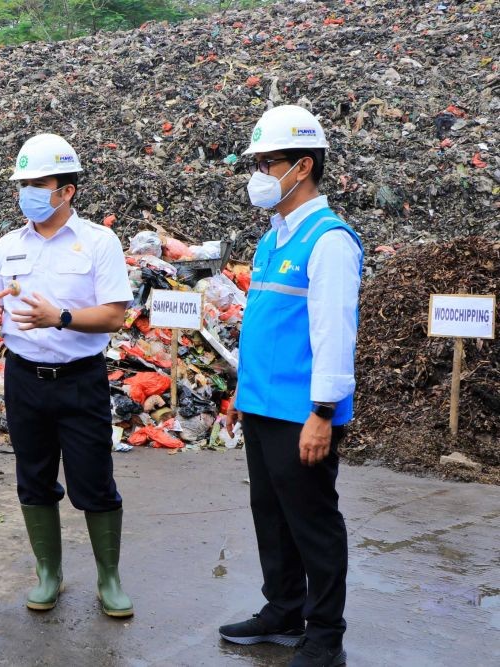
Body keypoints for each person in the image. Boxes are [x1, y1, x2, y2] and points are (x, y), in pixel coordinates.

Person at [219, 105, 363, 667]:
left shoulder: (329, 242)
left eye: (267, 162)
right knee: (269, 512)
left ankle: (325, 635)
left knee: (313, 521)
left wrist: (323, 412)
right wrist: (240, 394)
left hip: (302, 412)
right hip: (262, 403)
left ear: (302, 166)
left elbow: (334, 335)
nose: (258, 174)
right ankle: (283, 608)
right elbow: (264, 329)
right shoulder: (274, 239)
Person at [0, 133, 135, 618]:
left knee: (94, 482)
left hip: (80, 379)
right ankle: (50, 574)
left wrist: (59, 317)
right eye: (23, 184)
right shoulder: (8, 245)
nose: (28, 194)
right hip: (24, 379)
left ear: (67, 190)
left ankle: (109, 578)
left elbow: (113, 317)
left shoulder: (98, 243)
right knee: (33, 478)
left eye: (38, 184)